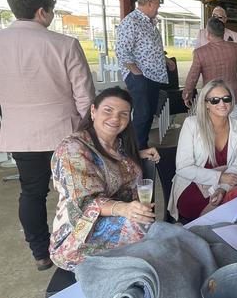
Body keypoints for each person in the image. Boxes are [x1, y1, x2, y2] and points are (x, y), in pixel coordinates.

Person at [0, 0, 94, 271]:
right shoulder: (64, 44)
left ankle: (41, 252)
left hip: (20, 136)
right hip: (65, 133)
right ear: (42, 12)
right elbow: (85, 95)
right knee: (77, 191)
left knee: (32, 192)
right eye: (51, 11)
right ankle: (75, 246)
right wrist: (86, 129)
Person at [49, 87, 160, 272]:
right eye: (108, 110)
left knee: (156, 234)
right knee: (149, 236)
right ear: (93, 111)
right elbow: (83, 202)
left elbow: (107, 166)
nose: (115, 118)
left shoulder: (118, 144)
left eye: (123, 114)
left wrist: (137, 157)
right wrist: (124, 208)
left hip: (119, 221)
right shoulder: (72, 149)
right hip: (78, 235)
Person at [169, 80, 237, 222]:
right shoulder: (192, 124)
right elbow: (183, 168)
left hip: (224, 184)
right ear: (206, 104)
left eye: (226, 99)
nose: (222, 104)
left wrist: (223, 187)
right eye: (215, 100)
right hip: (192, 186)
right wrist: (219, 177)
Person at [116, 0, 174, 149]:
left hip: (153, 76)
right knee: (142, 114)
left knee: (149, 114)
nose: (158, 8)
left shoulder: (148, 22)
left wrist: (165, 59)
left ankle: (142, 144)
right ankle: (134, 149)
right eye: (157, 4)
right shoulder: (131, 21)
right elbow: (121, 51)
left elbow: (149, 48)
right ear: (149, 3)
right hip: (140, 76)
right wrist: (136, 73)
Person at [183, 17, 237, 119]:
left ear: (208, 33)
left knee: (213, 130)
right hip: (233, 95)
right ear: (223, 33)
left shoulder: (200, 53)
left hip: (213, 99)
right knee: (234, 129)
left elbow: (192, 77)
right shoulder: (236, 47)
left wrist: (187, 94)